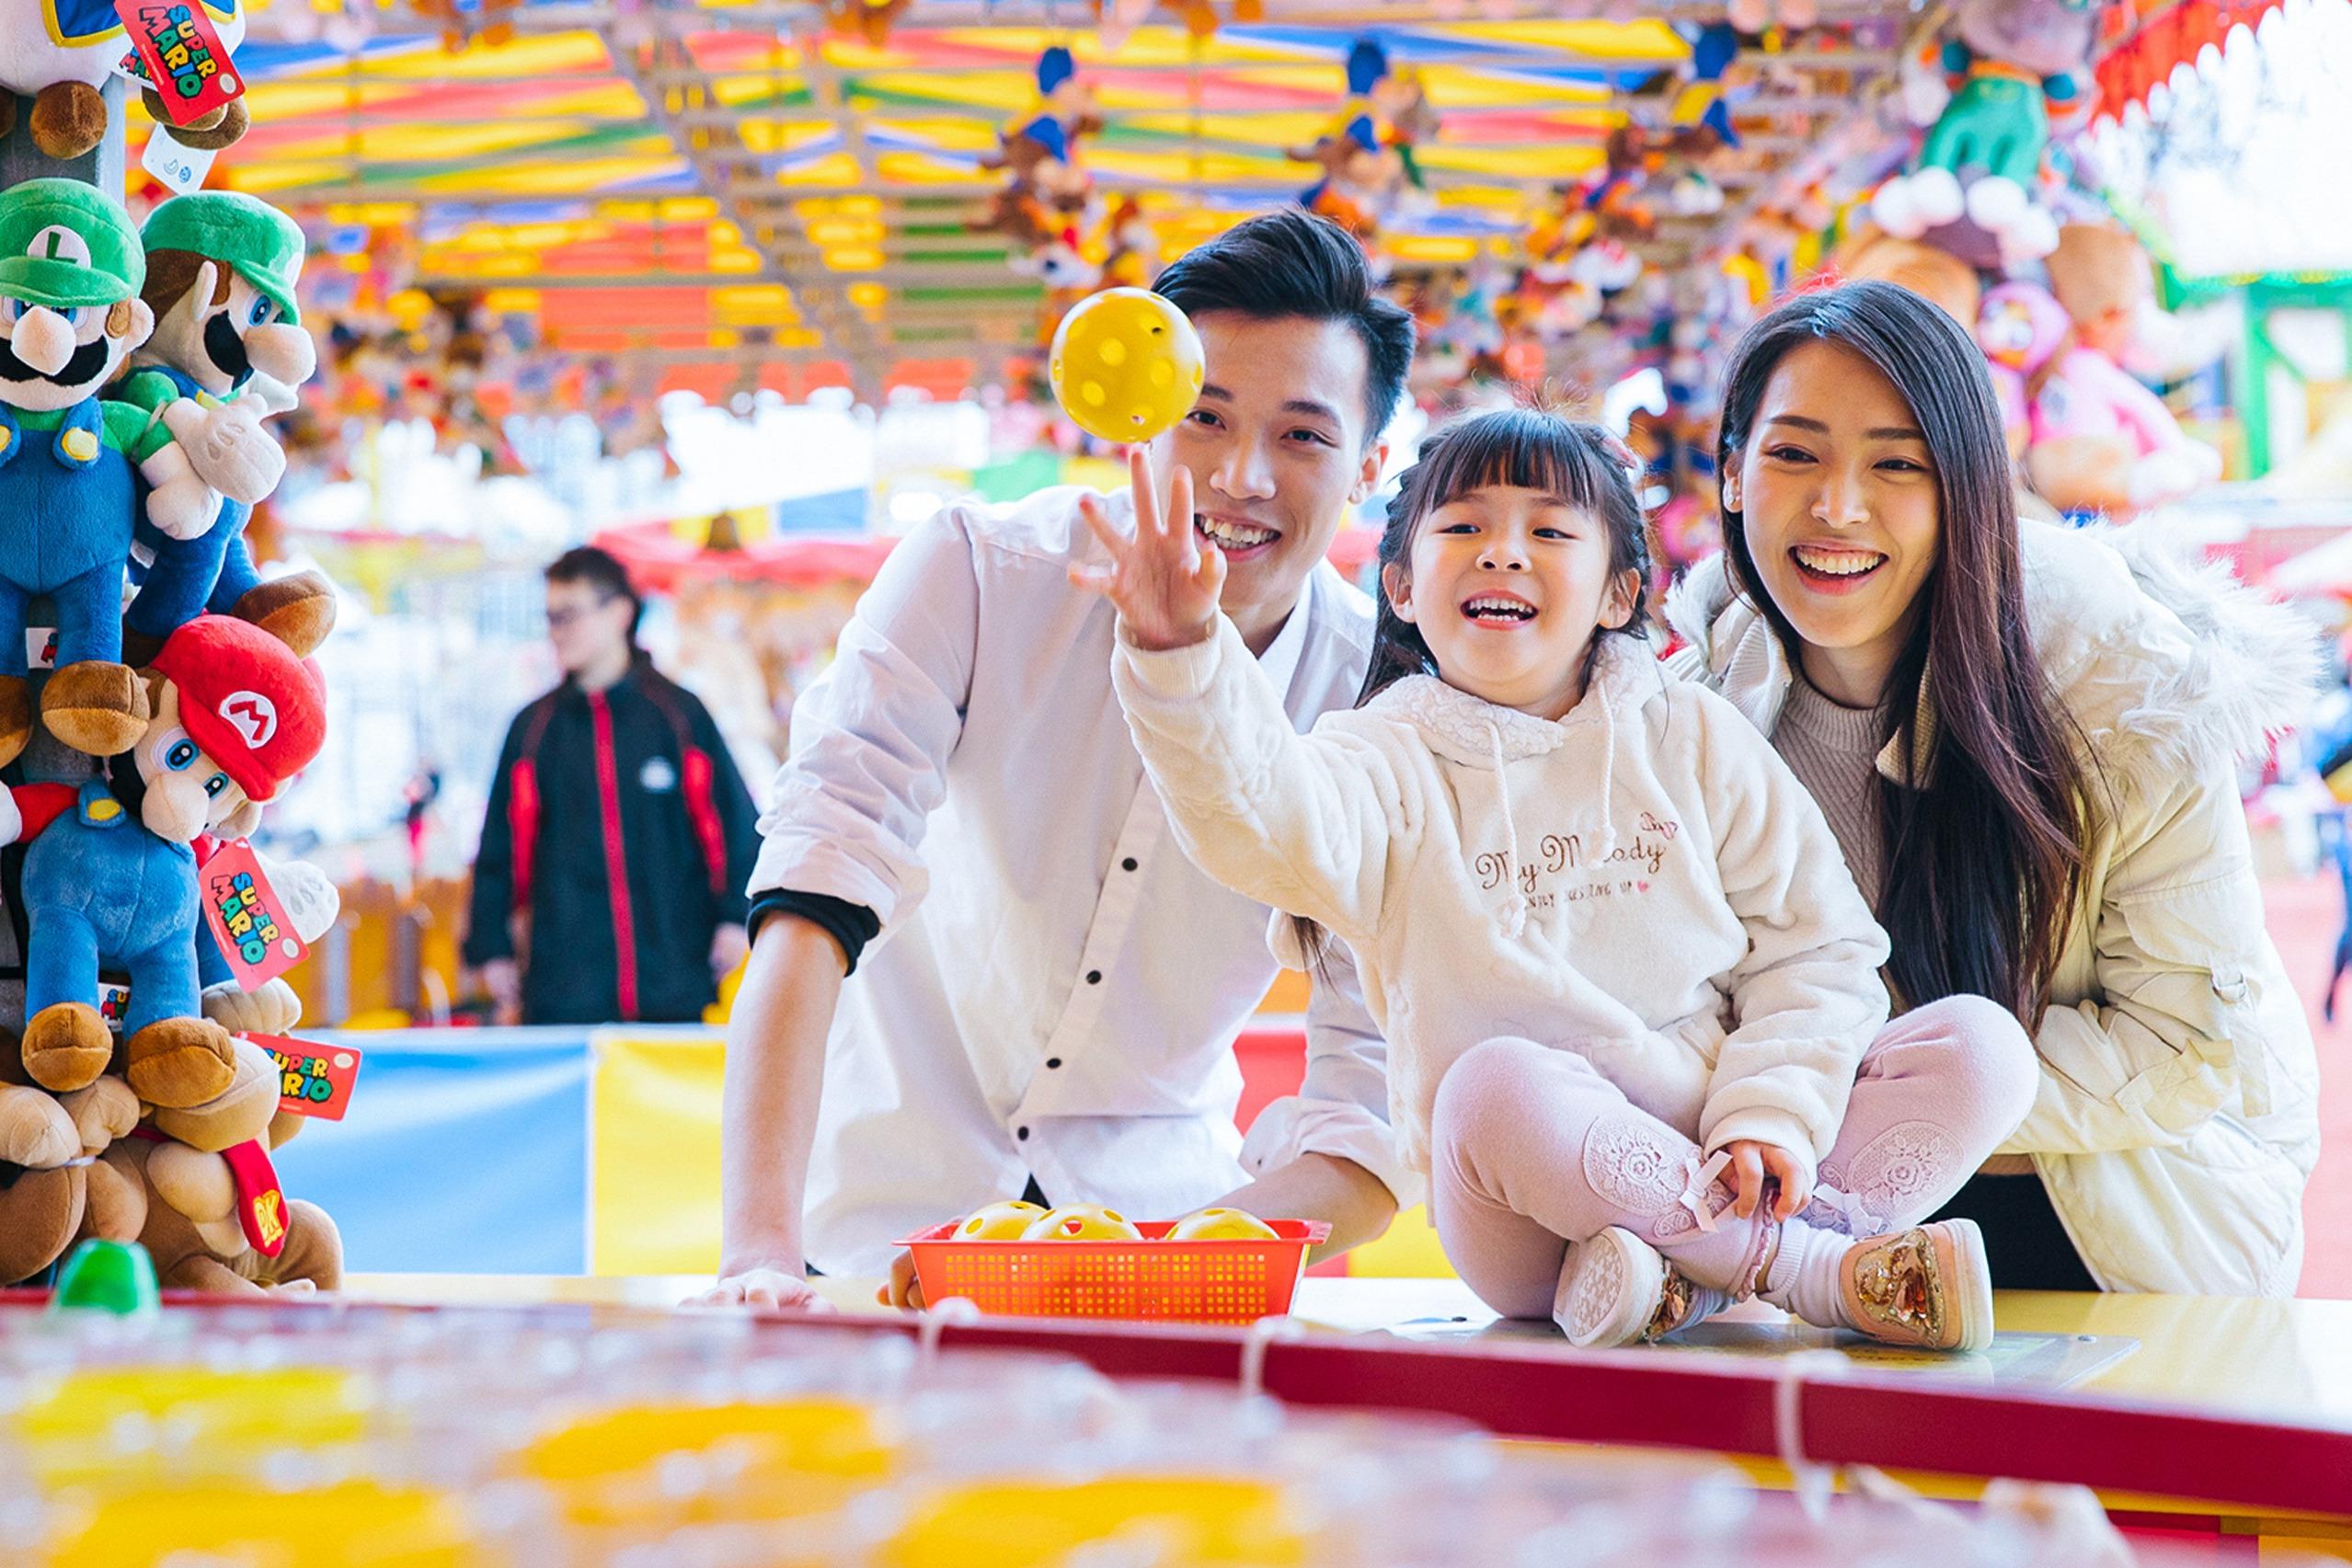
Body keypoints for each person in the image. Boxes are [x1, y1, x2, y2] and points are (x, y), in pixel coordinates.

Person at [1087, 406, 2040, 1351]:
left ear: (1618, 594)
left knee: (1982, 1047)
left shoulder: (1690, 733)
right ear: (1402, 587)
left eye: (1547, 532)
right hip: (1527, 1211)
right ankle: (1813, 1269)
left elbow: (1818, 952)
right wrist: (1180, 655)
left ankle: (1683, 1280)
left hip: (1730, 1155)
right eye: (1463, 527)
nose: (1503, 552)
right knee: (1489, 1082)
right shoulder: (1378, 759)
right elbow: (1256, 817)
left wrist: (1770, 1117)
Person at [697, 210, 1419, 1308]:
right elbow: (814, 880)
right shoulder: (976, 570)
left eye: (1302, 437)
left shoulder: (1380, 695)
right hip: (876, 1214)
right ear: (1142, 417)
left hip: (1161, 1230)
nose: (1242, 475)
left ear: (1367, 465)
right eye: (1205, 417)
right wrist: (756, 1253)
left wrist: (1143, 1267)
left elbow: (1369, 1107)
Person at [1667, 280, 2321, 1295]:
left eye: (1896, 463)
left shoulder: (2117, 682)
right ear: (1732, 475)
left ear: (1966, 489)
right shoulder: (1698, 704)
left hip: (2117, 1210)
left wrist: (1863, 1084)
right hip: (1813, 1208)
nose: (1837, 506)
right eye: (1794, 453)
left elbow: (2179, 1048)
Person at [462, 545, 762, 1027]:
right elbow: (498, 847)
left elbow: (735, 824)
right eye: (550, 617)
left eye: (569, 615)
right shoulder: (533, 730)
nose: (557, 630)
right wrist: (491, 948)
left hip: (674, 983)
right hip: (563, 993)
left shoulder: (679, 716)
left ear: (620, 613)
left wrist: (735, 917)